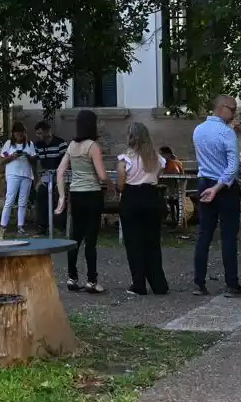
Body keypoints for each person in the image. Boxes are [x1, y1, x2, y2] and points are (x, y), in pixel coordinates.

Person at [192, 94, 241, 297]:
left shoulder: (199, 130)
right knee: (228, 237)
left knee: (204, 234)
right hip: (223, 187)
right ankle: (231, 284)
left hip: (204, 181)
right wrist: (218, 188)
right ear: (221, 107)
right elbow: (232, 167)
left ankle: (198, 283)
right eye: (232, 109)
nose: (234, 114)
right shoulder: (227, 133)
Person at [55, 109, 109, 294]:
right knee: (90, 239)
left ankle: (72, 277)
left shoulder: (71, 146)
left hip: (76, 194)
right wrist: (111, 184)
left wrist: (62, 196)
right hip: (92, 194)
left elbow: (60, 172)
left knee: (75, 237)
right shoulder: (93, 146)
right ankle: (92, 281)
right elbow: (101, 175)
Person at [117, 121, 169, 295]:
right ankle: (159, 284)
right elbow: (159, 176)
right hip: (151, 197)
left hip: (132, 197)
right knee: (152, 242)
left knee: (134, 243)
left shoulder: (125, 158)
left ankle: (138, 283)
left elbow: (121, 183)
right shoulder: (156, 158)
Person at [0, 122, 37, 235]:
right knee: (9, 200)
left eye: (23, 132)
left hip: (26, 175)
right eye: (18, 132)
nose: (20, 134)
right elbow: (2, 160)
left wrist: (27, 156)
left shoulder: (29, 144)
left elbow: (34, 160)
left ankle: (20, 226)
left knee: (23, 202)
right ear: (14, 133)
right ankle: (3, 226)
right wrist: (12, 156)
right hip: (13, 175)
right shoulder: (9, 144)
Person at [31, 121, 67, 236]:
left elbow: (65, 163)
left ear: (47, 131)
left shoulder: (60, 144)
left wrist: (59, 179)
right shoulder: (38, 145)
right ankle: (42, 226)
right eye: (37, 134)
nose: (38, 136)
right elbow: (38, 164)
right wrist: (39, 180)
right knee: (41, 194)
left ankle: (61, 226)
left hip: (60, 175)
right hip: (46, 176)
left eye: (40, 133)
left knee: (59, 196)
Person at [159, 146, 185, 226]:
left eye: (162, 154)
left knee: (171, 199)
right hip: (169, 188)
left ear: (168, 154)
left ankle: (175, 220)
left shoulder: (173, 163)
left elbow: (175, 176)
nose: (161, 156)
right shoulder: (166, 163)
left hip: (175, 189)